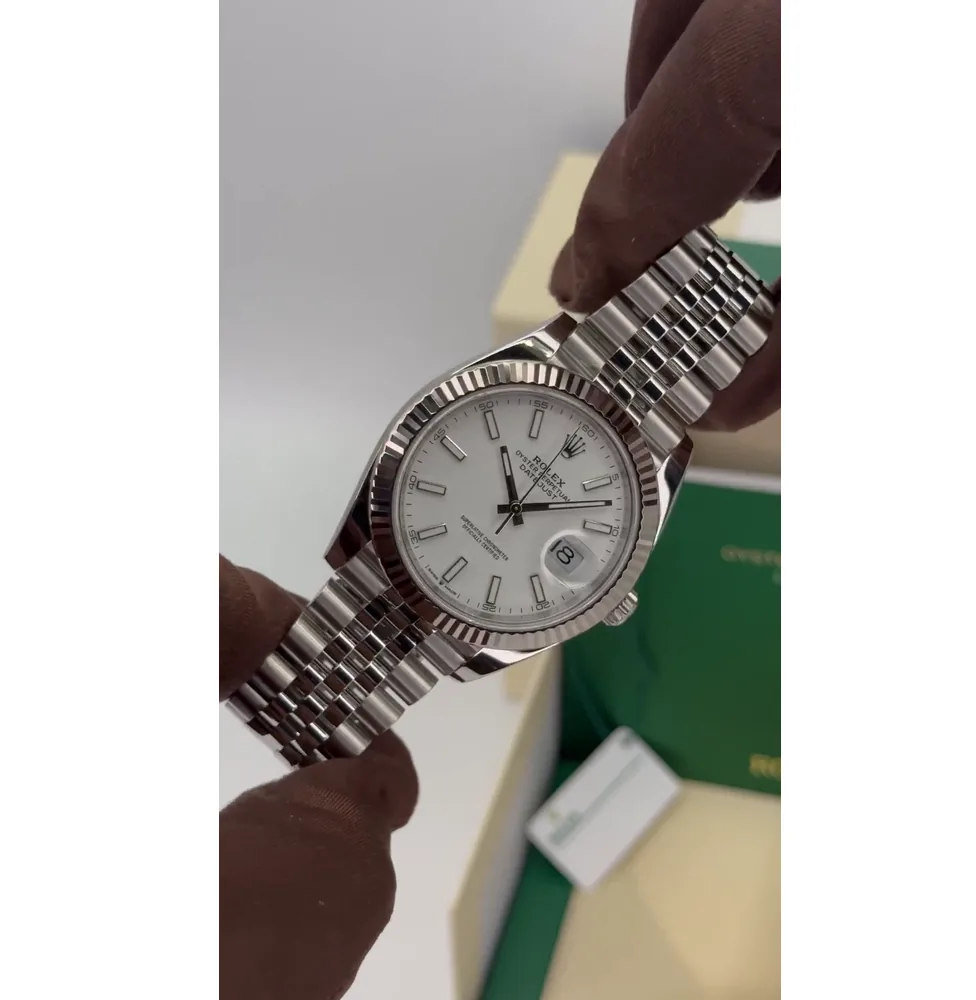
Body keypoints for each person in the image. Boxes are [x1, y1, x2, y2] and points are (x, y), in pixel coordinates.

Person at [219, 1, 780, 997]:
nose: (516, 515)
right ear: (428, 423)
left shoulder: (644, 476)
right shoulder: (542, 401)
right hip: (406, 555)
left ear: (606, 589)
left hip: (457, 575)